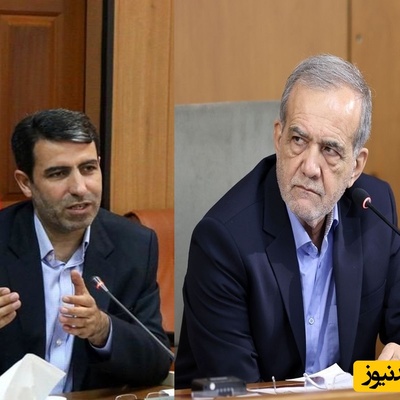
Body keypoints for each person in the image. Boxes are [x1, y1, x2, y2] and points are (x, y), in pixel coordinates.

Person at [175, 54, 400, 388]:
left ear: (356, 166)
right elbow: (239, 390)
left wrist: (391, 367)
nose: (309, 167)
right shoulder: (222, 241)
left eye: (330, 150)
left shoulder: (374, 211)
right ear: (278, 137)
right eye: (298, 140)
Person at [0, 109, 171, 393]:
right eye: (58, 173)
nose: (80, 188)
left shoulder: (134, 246)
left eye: (88, 168)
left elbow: (157, 361)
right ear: (26, 183)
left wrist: (103, 330)